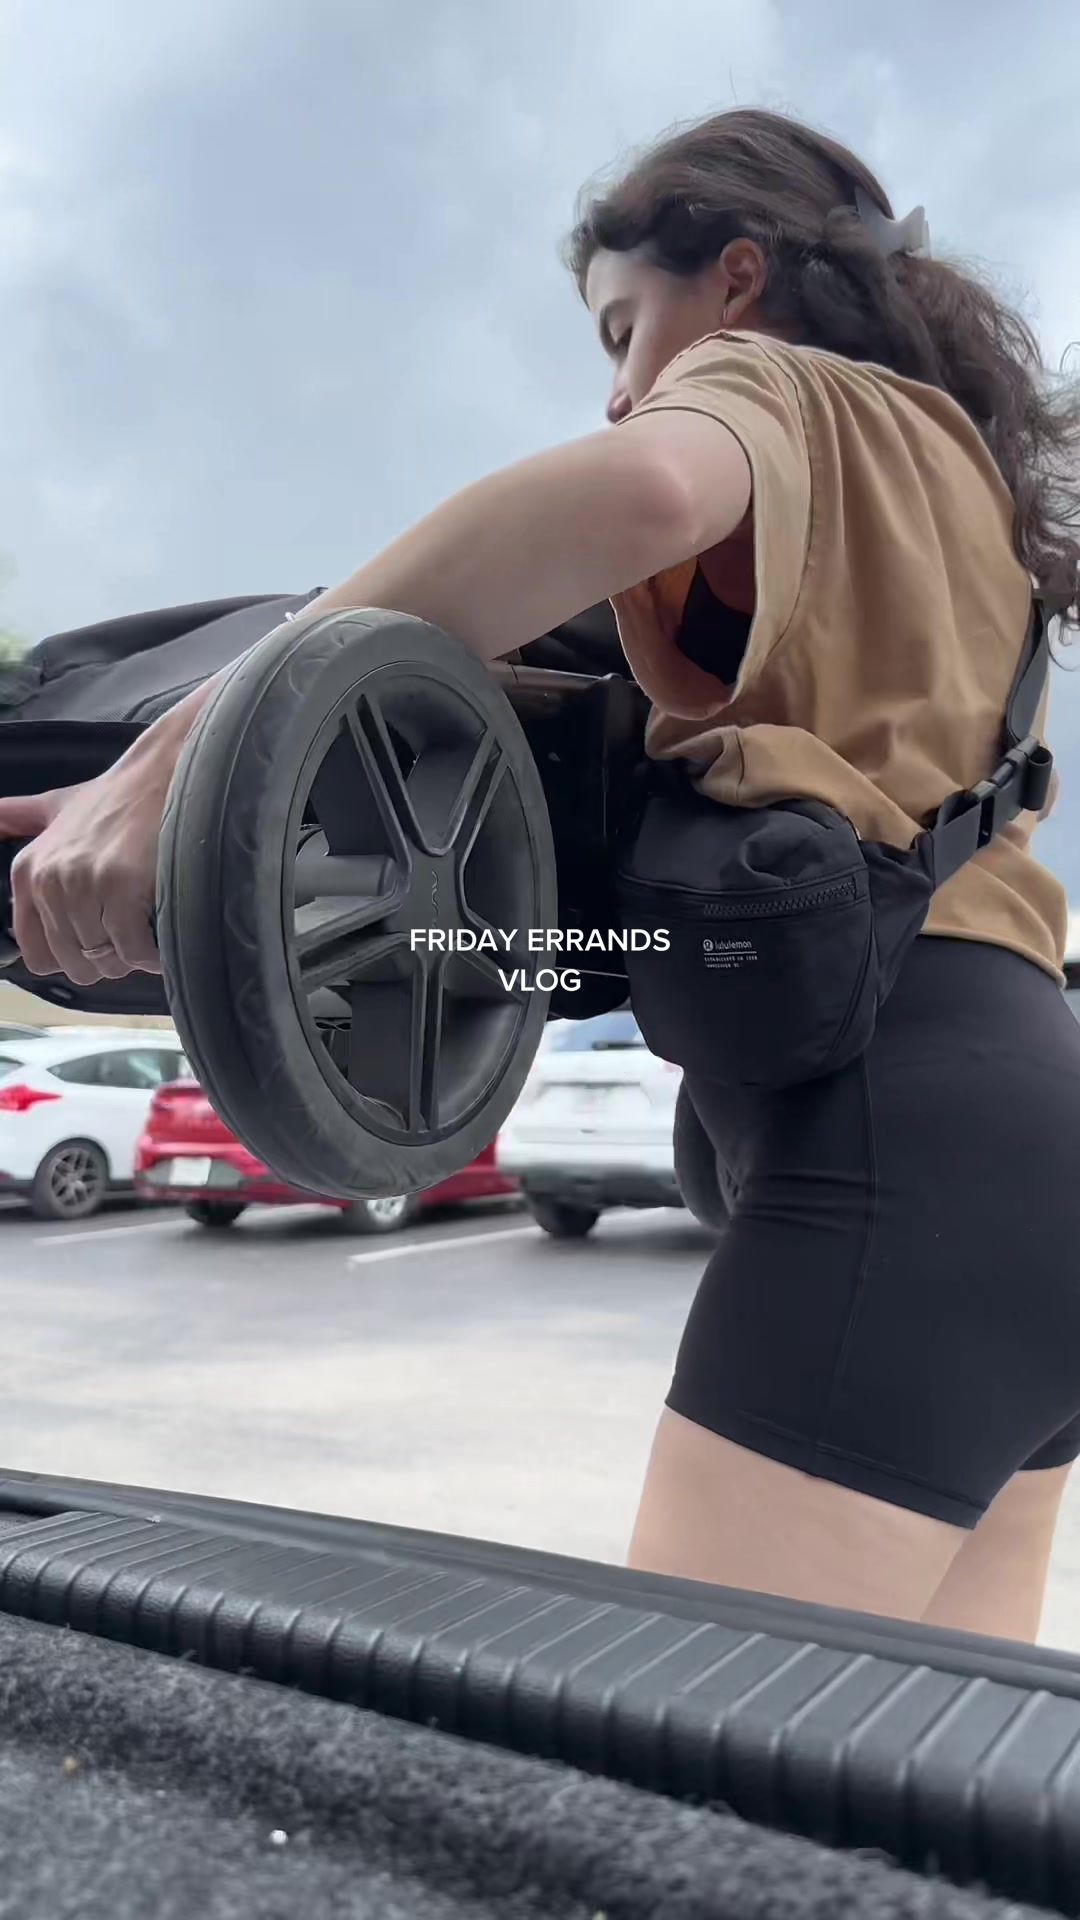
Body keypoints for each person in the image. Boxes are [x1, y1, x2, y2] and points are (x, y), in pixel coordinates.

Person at [2, 107, 1079, 1644]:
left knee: (690, 1764)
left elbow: (646, 494)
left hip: (901, 1161)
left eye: (626, 327)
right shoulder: (954, 488)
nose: (621, 386)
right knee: (918, 1759)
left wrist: (175, 753)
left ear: (738, 279)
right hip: (1032, 1129)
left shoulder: (773, 382)